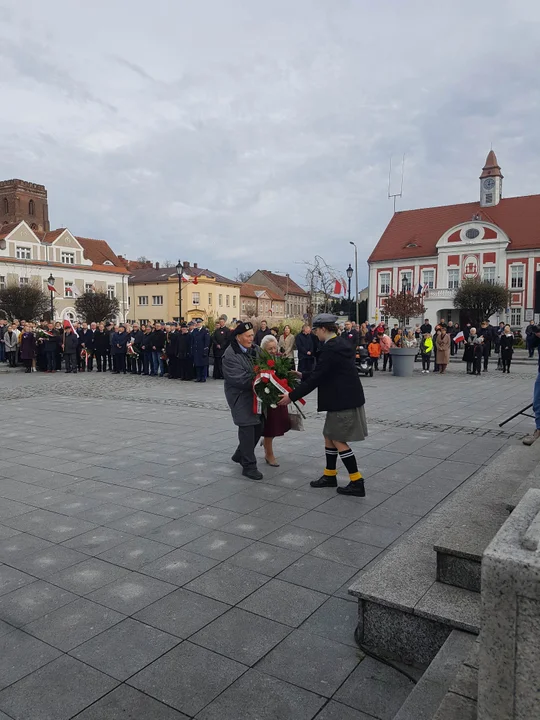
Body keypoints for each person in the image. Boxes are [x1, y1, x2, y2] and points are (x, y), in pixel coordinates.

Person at [278, 313, 367, 497]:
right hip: (342, 398)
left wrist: (291, 396)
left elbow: (319, 377)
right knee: (329, 435)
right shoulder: (338, 344)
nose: (315, 333)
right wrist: (303, 374)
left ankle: (357, 481)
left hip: (342, 400)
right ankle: (329, 475)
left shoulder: (331, 348)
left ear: (324, 329)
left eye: (316, 330)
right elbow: (324, 371)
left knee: (338, 439)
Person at [222, 321, 264, 481]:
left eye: (252, 335)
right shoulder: (230, 354)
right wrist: (260, 379)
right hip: (240, 396)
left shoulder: (255, 349)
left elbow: (266, 364)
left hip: (256, 395)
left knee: (260, 426)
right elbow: (237, 378)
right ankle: (249, 466)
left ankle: (240, 454)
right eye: (248, 336)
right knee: (247, 428)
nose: (251, 338)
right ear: (239, 337)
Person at [259, 335, 291, 466]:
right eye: (269, 348)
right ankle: (269, 453)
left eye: (274, 347)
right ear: (264, 349)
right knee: (270, 426)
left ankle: (266, 442)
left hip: (280, 397)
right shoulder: (261, 361)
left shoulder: (279, 358)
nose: (273, 350)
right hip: (268, 398)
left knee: (280, 423)